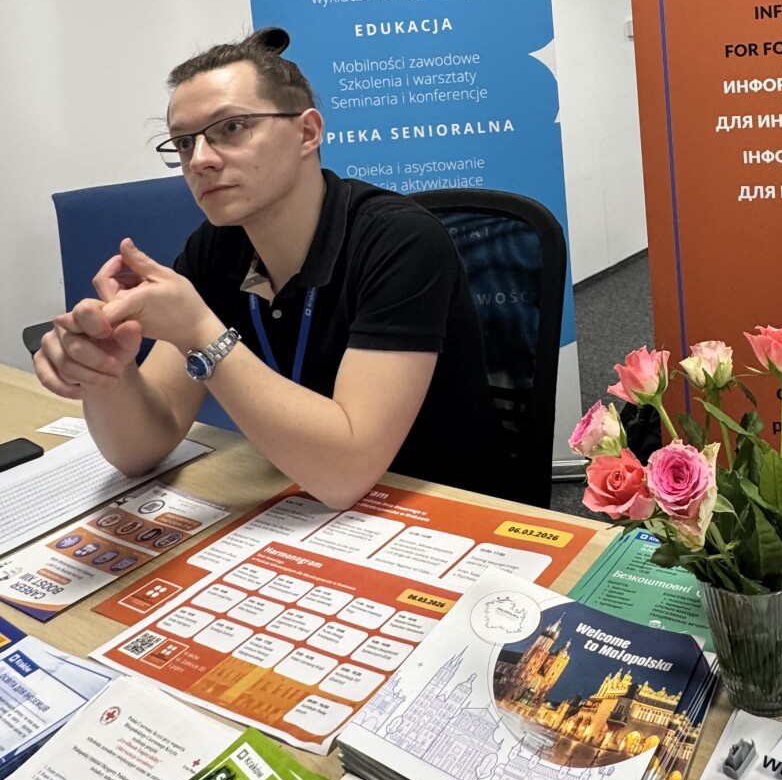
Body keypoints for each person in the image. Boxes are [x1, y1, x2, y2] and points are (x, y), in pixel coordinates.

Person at [34, 29, 496, 506]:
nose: (200, 160)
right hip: (302, 497)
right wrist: (109, 373)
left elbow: (346, 476)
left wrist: (201, 333)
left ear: (307, 132)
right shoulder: (215, 248)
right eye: (184, 143)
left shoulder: (400, 241)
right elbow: (140, 450)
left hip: (443, 507)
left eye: (232, 127)